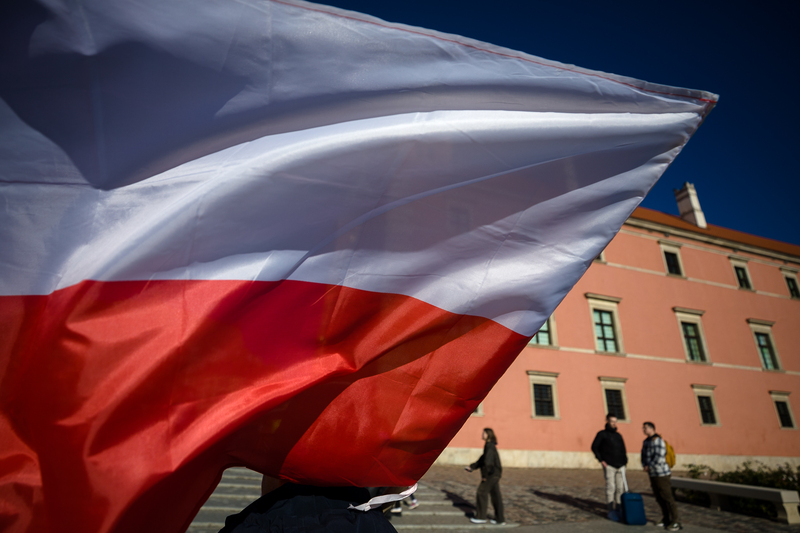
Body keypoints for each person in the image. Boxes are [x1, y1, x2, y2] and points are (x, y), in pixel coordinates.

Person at [642, 421, 681, 531]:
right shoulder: (646, 441)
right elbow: (643, 455)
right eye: (643, 428)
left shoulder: (658, 440)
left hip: (661, 473)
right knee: (658, 497)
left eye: (645, 428)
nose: (643, 430)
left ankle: (676, 521)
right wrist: (644, 465)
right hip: (652, 473)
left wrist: (649, 466)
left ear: (652, 429)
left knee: (667, 496)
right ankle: (666, 518)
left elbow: (659, 456)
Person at [591, 414, 628, 519]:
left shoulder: (618, 435)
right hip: (609, 465)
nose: (614, 423)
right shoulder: (602, 434)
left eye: (615, 421)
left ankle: (619, 508)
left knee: (620, 488)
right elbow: (594, 447)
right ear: (607, 421)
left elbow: (623, 449)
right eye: (612, 421)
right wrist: (601, 460)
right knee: (611, 487)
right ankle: (611, 509)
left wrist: (625, 462)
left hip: (621, 466)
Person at [465, 428, 505, 525]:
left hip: (491, 474)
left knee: (481, 492)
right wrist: (472, 467)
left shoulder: (489, 445)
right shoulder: (490, 445)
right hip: (495, 473)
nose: (482, 434)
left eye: (484, 433)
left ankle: (481, 517)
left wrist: (485, 475)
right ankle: (500, 519)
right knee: (496, 496)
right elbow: (483, 459)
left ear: (488, 434)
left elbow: (488, 462)